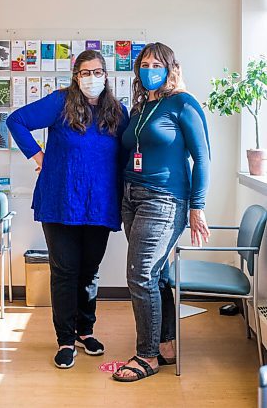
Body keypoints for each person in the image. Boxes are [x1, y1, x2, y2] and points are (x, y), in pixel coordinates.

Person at [7, 50, 129, 369]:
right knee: (64, 272)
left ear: (107, 75)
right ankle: (65, 340)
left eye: (98, 71)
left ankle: (85, 332)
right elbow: (16, 121)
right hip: (60, 201)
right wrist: (38, 156)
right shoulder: (60, 102)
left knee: (89, 271)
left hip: (99, 205)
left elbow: (130, 150)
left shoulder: (117, 111)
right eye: (85, 72)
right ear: (76, 76)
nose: (92, 78)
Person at [112, 42, 211, 383]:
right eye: (144, 63)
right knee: (157, 276)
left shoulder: (183, 103)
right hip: (131, 197)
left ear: (171, 69)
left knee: (140, 276)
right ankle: (166, 345)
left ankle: (147, 355)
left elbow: (203, 158)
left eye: (157, 64)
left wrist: (197, 206)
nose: (149, 69)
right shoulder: (140, 109)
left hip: (164, 199)